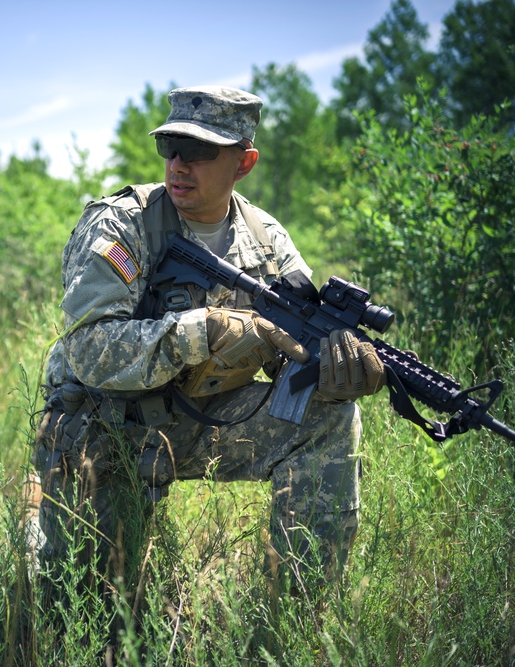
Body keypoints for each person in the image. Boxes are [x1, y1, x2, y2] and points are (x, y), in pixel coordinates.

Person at [30, 85, 384, 597]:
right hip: (104, 431)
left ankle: (296, 615)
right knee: (83, 604)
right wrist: (202, 331)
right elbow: (89, 351)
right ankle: (32, 529)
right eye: (170, 147)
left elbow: (295, 350)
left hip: (203, 423)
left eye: (198, 151)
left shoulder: (266, 239)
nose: (178, 164)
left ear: (244, 163)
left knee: (328, 417)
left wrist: (333, 374)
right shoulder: (124, 223)